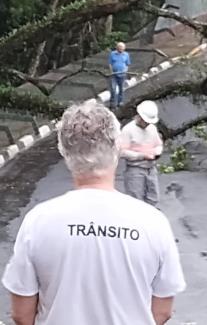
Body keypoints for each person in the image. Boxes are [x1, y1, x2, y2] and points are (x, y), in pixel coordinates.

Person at [2, 101, 185, 325]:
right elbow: (163, 311)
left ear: (63, 151)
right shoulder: (154, 223)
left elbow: (22, 314)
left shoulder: (38, 222)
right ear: (117, 147)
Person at [121, 100, 163, 206]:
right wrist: (142, 155)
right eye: (145, 121)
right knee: (135, 200)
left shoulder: (152, 129)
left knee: (153, 198)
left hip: (151, 169)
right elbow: (121, 152)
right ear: (139, 116)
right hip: (135, 169)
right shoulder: (128, 130)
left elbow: (158, 144)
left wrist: (157, 152)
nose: (147, 124)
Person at [108, 41, 131, 108]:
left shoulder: (126, 55)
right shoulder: (112, 54)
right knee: (113, 89)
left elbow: (128, 64)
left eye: (122, 48)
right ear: (117, 48)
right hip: (114, 74)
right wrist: (111, 71)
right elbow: (110, 64)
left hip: (122, 75)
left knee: (121, 89)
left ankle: (120, 102)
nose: (121, 49)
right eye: (120, 47)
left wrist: (125, 71)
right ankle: (112, 103)